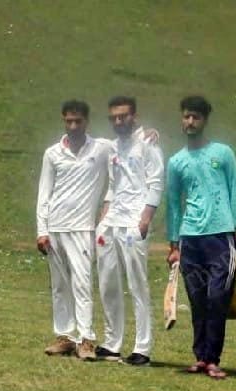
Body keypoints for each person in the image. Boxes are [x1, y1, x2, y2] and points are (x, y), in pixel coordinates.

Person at [165, 95, 236, 379]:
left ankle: (213, 358)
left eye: (196, 117)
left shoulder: (223, 153)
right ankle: (200, 357)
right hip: (190, 237)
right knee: (197, 299)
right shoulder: (176, 162)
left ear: (205, 120)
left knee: (217, 296)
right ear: (181, 118)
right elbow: (173, 203)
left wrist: (233, 227)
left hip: (220, 236)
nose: (190, 121)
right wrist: (173, 243)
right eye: (186, 116)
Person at [36, 100, 113, 361]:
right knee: (59, 286)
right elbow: (44, 194)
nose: (73, 126)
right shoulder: (53, 153)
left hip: (82, 228)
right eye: (68, 121)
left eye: (78, 121)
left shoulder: (101, 148)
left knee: (81, 283)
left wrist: (148, 134)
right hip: (55, 227)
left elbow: (126, 145)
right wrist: (41, 230)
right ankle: (65, 337)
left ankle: (86, 340)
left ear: (86, 121)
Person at [95, 95, 164, 366]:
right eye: (113, 117)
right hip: (112, 220)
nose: (118, 121)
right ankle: (112, 343)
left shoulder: (147, 142)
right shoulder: (112, 147)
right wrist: (104, 216)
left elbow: (156, 181)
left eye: (123, 116)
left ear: (134, 116)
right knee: (107, 281)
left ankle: (142, 348)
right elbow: (113, 185)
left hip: (134, 222)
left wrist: (145, 218)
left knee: (137, 283)